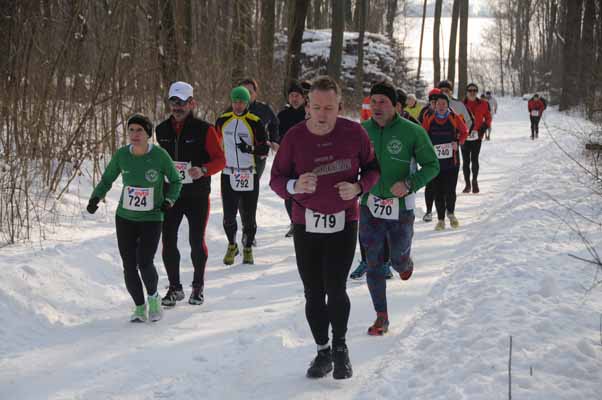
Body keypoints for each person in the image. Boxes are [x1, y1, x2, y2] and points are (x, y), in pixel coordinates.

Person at [270, 76, 380, 380]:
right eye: (316, 107)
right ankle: (322, 351)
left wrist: (358, 187)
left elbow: (373, 169)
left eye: (328, 108)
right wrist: (295, 184)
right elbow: (276, 180)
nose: (321, 114)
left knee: (336, 286)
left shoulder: (354, 133)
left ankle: (341, 347)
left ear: (339, 107)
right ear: (308, 106)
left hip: (345, 219)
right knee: (313, 292)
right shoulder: (294, 138)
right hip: (306, 221)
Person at [358, 82, 439, 335]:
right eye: (374, 102)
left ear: (396, 106)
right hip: (369, 206)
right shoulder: (362, 131)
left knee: (397, 260)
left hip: (401, 208)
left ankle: (404, 263)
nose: (377, 107)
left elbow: (432, 165)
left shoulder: (412, 132)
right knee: (372, 262)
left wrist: (409, 184)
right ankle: (381, 316)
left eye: (383, 102)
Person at [87, 114, 182, 322]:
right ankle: (140, 307)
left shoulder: (159, 155)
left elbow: (176, 181)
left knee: (145, 261)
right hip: (125, 218)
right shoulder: (122, 155)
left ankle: (154, 298)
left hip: (152, 217)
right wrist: (95, 197)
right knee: (129, 265)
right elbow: (107, 179)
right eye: (131, 130)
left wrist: (169, 200)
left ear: (148, 134)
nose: (135, 134)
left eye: (139, 130)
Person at [156, 81, 226, 307]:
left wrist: (203, 170)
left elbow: (220, 160)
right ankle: (175, 288)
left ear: (192, 103)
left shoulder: (205, 129)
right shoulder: (161, 130)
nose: (177, 107)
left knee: (196, 241)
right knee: (167, 240)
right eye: (173, 102)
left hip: (196, 194)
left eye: (182, 102)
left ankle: (198, 286)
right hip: (171, 195)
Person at [216, 86, 269, 265]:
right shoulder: (222, 120)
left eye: (242, 102)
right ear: (231, 102)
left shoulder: (255, 121)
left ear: (247, 103)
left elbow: (264, 149)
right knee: (228, 216)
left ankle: (247, 247)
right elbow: (214, 144)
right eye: (235, 101)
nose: (238, 105)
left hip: (249, 174)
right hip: (228, 173)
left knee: (249, 216)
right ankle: (232, 245)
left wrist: (250, 149)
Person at [421, 92, 468, 231]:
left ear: (448, 105)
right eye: (438, 104)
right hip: (435, 163)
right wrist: (427, 148)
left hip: (452, 162)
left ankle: (451, 213)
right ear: (434, 105)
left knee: (450, 190)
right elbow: (423, 136)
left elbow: (464, 132)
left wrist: (458, 142)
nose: (441, 106)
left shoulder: (454, 117)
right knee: (438, 191)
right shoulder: (428, 117)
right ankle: (441, 219)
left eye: (444, 104)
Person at [277, 80, 308, 238]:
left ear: (304, 98)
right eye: (292, 96)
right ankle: (294, 223)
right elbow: (278, 136)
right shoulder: (283, 115)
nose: (294, 99)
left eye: (297, 96)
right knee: (289, 192)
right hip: (288, 159)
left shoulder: (309, 114)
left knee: (304, 191)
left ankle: (303, 221)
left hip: (306, 159)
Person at [462, 83, 492, 194]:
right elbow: (455, 118)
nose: (472, 92)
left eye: (474, 90)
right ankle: (467, 184)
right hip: (464, 136)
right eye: (470, 90)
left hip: (477, 136)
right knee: (465, 161)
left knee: (474, 159)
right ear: (467, 92)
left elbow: (488, 118)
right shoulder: (461, 104)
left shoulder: (484, 104)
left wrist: (483, 128)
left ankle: (474, 181)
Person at [419, 88, 443, 222]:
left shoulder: (448, 112)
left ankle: (443, 210)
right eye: (432, 101)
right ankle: (428, 211)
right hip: (429, 153)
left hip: (446, 155)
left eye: (436, 101)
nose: (434, 104)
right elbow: (417, 130)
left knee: (443, 184)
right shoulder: (424, 113)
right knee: (430, 183)